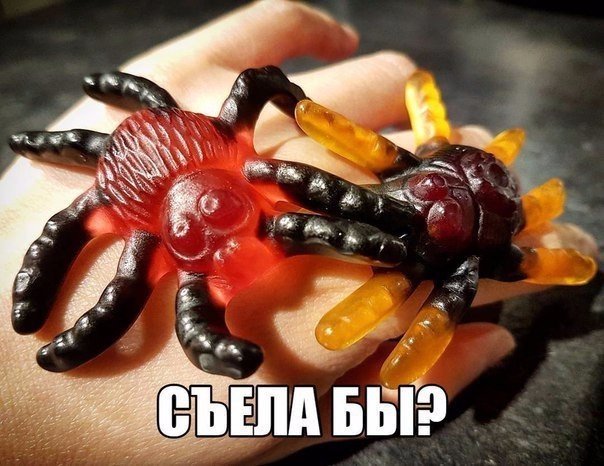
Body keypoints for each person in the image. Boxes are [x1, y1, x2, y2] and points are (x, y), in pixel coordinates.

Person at [0, 1, 596, 463]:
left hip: (226, 158)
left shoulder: (261, 170)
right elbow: (102, 280)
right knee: (106, 267)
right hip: (165, 169)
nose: (241, 248)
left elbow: (268, 93)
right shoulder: (147, 217)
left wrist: (296, 106)